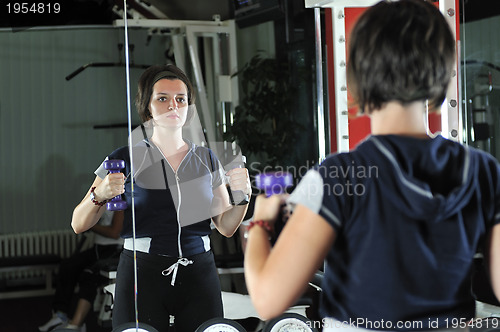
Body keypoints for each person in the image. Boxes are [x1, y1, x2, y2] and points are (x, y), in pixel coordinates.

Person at [244, 0, 500, 331]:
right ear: (442, 69)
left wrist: (261, 222)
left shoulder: (339, 176)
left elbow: (267, 301)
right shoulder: (484, 170)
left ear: (357, 75)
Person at [71, 64, 251, 331]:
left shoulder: (206, 159)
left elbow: (226, 226)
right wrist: (100, 195)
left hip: (199, 273)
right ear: (148, 107)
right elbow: (78, 223)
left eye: (181, 99)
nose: (173, 106)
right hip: (142, 273)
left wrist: (243, 197)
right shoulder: (124, 158)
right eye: (162, 98)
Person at [39, 210, 123, 332]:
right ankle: (60, 314)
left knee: (89, 273)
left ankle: (76, 324)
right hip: (97, 249)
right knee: (68, 266)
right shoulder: (100, 198)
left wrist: (91, 226)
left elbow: (115, 233)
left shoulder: (121, 199)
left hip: (114, 250)